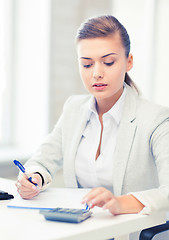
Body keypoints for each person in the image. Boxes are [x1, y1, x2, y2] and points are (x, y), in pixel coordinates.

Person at [16, 15, 169, 235]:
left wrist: (121, 202)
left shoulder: (157, 119)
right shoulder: (73, 108)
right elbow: (42, 160)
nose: (96, 73)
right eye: (87, 64)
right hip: (81, 232)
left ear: (129, 62)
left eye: (108, 62)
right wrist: (33, 178)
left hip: (129, 234)